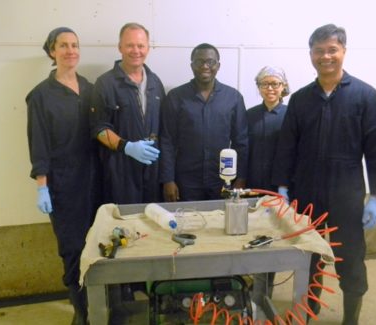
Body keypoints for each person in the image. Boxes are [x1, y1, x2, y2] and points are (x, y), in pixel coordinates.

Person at [272, 24, 376, 324]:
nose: (325, 56)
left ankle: (350, 318)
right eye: (319, 51)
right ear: (310, 54)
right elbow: (287, 147)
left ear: (343, 52)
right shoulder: (300, 99)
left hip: (347, 195)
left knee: (350, 259)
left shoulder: (366, 96)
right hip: (306, 192)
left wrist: (375, 197)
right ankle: (307, 311)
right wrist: (283, 188)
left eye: (332, 50)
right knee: (307, 258)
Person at [26, 27, 100, 325]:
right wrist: (42, 186)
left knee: (98, 246)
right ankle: (81, 313)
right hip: (63, 186)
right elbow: (38, 144)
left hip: (96, 182)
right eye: (63, 45)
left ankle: (99, 304)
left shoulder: (90, 88)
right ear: (52, 52)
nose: (71, 50)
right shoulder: (41, 96)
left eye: (75, 45)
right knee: (72, 249)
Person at [160, 43, 248, 202]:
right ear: (192, 65)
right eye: (199, 61)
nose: (205, 66)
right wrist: (168, 179)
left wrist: (241, 178)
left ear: (218, 65)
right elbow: (167, 141)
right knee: (188, 223)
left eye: (210, 61)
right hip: (186, 181)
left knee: (221, 222)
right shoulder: (175, 97)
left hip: (222, 180)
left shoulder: (233, 98)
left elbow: (241, 142)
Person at [90, 22, 165, 204]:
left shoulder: (156, 83)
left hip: (152, 170)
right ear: (120, 47)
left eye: (141, 45)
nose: (136, 50)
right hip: (120, 170)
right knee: (125, 225)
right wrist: (127, 147)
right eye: (130, 45)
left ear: (148, 48)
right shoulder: (105, 83)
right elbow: (98, 128)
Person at [247, 66, 289, 306]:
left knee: (271, 238)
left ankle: (264, 293)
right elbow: (243, 148)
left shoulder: (291, 115)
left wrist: (286, 187)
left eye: (275, 83)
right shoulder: (250, 114)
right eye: (265, 84)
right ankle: (254, 288)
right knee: (253, 236)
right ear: (259, 87)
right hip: (253, 187)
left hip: (279, 189)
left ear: (283, 87)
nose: (270, 88)